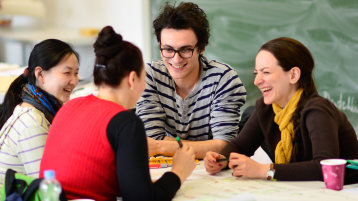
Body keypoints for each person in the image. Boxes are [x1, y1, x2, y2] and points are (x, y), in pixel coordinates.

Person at [40, 26, 196, 201]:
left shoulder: (69, 107)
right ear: (132, 79)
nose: (144, 87)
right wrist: (178, 173)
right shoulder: (125, 122)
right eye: (143, 78)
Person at [204, 37, 358, 184]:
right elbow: (240, 146)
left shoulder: (317, 111)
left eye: (266, 72)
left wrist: (264, 170)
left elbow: (324, 167)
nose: (257, 81)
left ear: (293, 75)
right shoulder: (266, 109)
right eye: (256, 73)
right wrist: (219, 159)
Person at [136, 2, 247, 159]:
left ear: (201, 48)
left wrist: (162, 146)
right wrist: (205, 147)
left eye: (185, 50)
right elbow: (151, 140)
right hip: (164, 168)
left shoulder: (224, 79)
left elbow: (223, 146)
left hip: (211, 172)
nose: (176, 59)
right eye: (168, 49)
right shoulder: (150, 76)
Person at [0, 39, 79, 185]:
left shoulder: (33, 110)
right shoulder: (32, 124)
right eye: (67, 73)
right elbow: (46, 189)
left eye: (76, 73)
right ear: (40, 74)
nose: (74, 81)